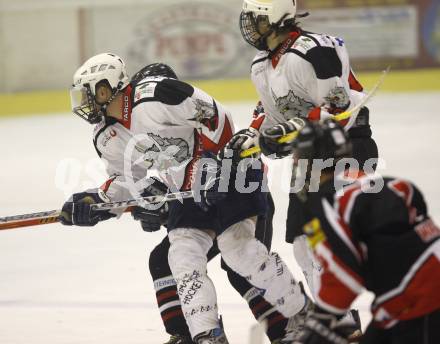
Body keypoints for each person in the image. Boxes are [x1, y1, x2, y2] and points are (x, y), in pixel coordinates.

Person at [59, 53, 309, 344]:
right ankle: (206, 336)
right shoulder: (106, 134)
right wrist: (98, 201)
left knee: (238, 252)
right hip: (190, 190)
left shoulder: (154, 96)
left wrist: (219, 168)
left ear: (106, 87)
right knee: (180, 257)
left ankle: (302, 318)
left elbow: (218, 118)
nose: (84, 102)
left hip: (233, 174)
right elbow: (128, 179)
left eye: (88, 94)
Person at [221, 0, 379, 338]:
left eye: (257, 19)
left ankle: (352, 321)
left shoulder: (315, 50)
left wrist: (290, 130)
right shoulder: (261, 63)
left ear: (279, 18)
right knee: (305, 245)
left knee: (332, 240)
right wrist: (256, 133)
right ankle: (340, 324)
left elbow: (339, 110)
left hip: (345, 150)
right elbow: (270, 113)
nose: (250, 27)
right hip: (309, 161)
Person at [288, 119, 440, 344]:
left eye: (299, 158)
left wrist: (320, 323)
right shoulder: (383, 182)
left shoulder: (328, 202)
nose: (296, 164)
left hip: (420, 303)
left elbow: (344, 277)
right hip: (409, 297)